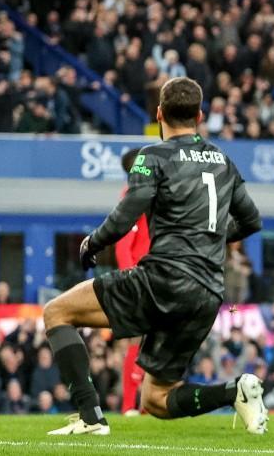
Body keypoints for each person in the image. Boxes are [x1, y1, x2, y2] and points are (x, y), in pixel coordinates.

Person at [42, 78, 267, 436]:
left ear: (159, 113)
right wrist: (208, 238)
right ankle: (234, 390)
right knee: (156, 399)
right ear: (200, 115)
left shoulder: (153, 156)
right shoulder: (223, 161)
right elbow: (251, 220)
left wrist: (92, 243)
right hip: (207, 294)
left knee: (56, 312)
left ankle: (90, 417)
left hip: (163, 280)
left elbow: (127, 213)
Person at [116, 148, 153, 417]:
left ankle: (147, 404)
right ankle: (129, 404)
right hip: (139, 279)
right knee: (136, 340)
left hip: (157, 276)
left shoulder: (151, 196)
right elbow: (122, 246)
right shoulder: (131, 198)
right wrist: (131, 278)